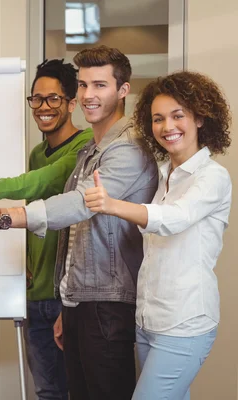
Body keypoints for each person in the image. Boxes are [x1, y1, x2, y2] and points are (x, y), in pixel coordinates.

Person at [0, 46, 159, 400]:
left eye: (100, 85)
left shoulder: (128, 147)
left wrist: (6, 216)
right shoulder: (93, 150)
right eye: (84, 85)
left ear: (122, 90)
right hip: (82, 302)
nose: (89, 95)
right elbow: (77, 236)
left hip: (108, 304)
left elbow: (78, 205)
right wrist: (67, 305)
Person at [84, 71, 232, 400]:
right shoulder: (164, 175)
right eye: (158, 119)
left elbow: (173, 219)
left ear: (200, 118)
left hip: (185, 322)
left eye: (178, 116)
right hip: (149, 320)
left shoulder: (212, 177)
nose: (168, 127)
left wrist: (112, 205)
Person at [0, 59, 93, 400]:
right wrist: (27, 261)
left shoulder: (84, 147)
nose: (43, 107)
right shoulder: (37, 152)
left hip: (66, 295)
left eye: (53, 99)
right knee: (46, 390)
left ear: (71, 104)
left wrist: (1, 187)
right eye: (36, 99)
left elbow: (48, 180)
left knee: (75, 390)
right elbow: (36, 209)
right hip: (34, 293)